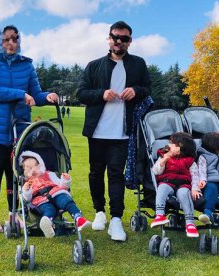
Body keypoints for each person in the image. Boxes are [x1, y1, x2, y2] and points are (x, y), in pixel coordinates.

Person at [0, 25, 58, 234]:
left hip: (20, 130)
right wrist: (19, 94)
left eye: (14, 39)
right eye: (6, 39)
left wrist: (47, 96)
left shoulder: (27, 66)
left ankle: (15, 214)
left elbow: (36, 94)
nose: (11, 43)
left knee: (16, 175)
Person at [77, 21, 151, 241]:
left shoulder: (138, 64)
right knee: (95, 173)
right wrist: (102, 94)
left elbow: (147, 89)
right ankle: (100, 212)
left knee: (116, 174)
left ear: (130, 41)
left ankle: (116, 219)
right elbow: (81, 93)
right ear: (109, 38)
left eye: (124, 38)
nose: (119, 41)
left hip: (122, 132)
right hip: (97, 131)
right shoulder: (94, 65)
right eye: (115, 37)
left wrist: (135, 91)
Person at [20, 151, 91, 238]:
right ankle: (46, 222)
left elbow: (62, 185)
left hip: (56, 192)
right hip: (40, 200)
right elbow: (27, 199)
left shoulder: (49, 174)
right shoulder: (27, 183)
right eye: (29, 168)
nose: (33, 170)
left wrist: (65, 180)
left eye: (35, 166)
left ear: (40, 165)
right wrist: (26, 190)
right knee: (49, 209)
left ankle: (78, 218)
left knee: (66, 201)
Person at [150, 132, 200, 238]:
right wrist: (165, 159)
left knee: (183, 194)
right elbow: (155, 171)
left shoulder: (190, 161)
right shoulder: (164, 156)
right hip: (167, 181)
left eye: (174, 144)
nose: (169, 145)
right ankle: (160, 215)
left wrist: (195, 189)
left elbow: (195, 177)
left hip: (183, 184)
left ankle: (190, 223)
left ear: (182, 148)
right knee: (162, 188)